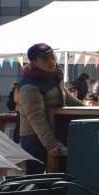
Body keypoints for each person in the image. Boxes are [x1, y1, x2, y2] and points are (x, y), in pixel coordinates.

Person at [18, 43, 82, 174]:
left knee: (56, 178)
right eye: (45, 59)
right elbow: (36, 118)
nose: (52, 62)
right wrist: (51, 144)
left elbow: (65, 95)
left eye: (53, 57)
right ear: (33, 63)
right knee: (33, 180)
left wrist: (87, 110)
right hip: (34, 138)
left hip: (52, 133)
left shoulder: (52, 76)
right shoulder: (29, 85)